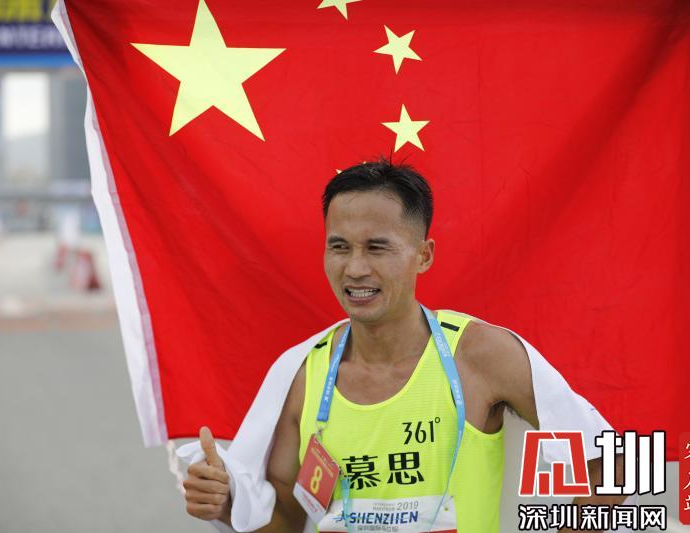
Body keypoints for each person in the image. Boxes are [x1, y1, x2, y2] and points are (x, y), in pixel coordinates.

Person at [181, 160, 625, 532]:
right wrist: (228, 504)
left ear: (423, 255)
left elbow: (608, 461)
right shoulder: (302, 373)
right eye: (340, 247)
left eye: (377, 247)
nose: (355, 268)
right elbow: (287, 520)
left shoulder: (479, 355)